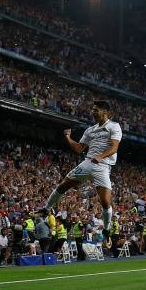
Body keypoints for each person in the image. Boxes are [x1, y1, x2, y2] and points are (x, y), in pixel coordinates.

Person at [36, 101, 122, 242]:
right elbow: (79, 148)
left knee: (105, 202)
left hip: (103, 165)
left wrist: (100, 156)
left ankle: (106, 229)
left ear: (105, 112)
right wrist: (68, 137)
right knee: (63, 185)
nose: (93, 112)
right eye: (93, 109)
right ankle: (46, 209)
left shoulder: (114, 126)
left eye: (96, 110)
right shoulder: (90, 130)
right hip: (88, 162)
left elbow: (114, 148)